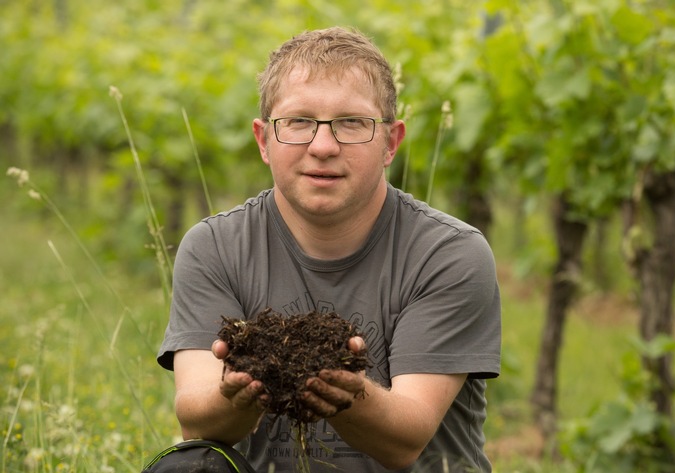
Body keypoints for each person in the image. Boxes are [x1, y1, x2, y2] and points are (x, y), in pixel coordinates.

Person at [157, 26, 501, 473]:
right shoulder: (215, 247)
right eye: (298, 122)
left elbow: (406, 438)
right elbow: (196, 421)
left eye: (351, 123)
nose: (322, 146)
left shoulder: (449, 254)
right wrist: (241, 389)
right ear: (264, 140)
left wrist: (344, 390)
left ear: (390, 143)